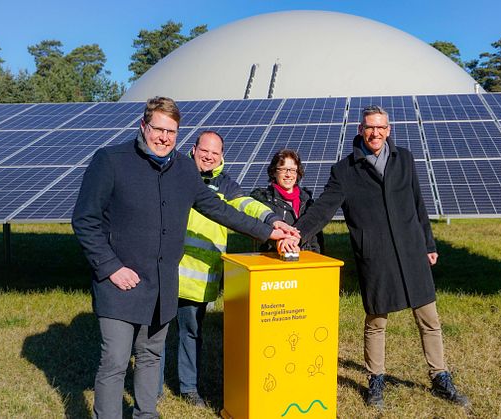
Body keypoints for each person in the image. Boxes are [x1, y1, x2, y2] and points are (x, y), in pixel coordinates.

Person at [72, 97, 296, 418]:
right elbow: (85, 219)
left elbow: (220, 209)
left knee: (150, 356)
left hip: (162, 286)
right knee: (116, 362)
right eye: (158, 129)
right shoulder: (110, 160)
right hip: (119, 286)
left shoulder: (183, 170)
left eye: (171, 132)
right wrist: (110, 268)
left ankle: (146, 415)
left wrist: (270, 232)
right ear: (143, 126)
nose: (164, 137)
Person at [279, 105, 469, 409]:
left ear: (389, 130)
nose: (375, 133)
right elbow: (323, 208)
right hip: (376, 255)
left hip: (411, 250)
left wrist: (428, 243)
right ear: (360, 130)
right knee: (376, 320)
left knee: (429, 318)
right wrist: (296, 233)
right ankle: (376, 379)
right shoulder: (344, 171)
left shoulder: (404, 159)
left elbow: (418, 203)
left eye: (381, 127)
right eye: (370, 127)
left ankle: (439, 375)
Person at [160, 130, 284, 407]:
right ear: (193, 149)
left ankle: (189, 389)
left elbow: (247, 205)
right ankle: (153, 389)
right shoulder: (175, 173)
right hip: (166, 270)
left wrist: (272, 220)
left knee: (191, 333)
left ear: (221, 157)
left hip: (199, 276)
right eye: (205, 150)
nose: (209, 156)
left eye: (215, 153)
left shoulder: (226, 184)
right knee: (155, 333)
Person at [251, 149, 323, 254]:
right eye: (283, 169)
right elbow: (262, 233)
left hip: (307, 259)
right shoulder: (264, 201)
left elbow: (316, 237)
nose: (288, 174)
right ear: (274, 172)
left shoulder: (307, 201)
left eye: (292, 170)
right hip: (275, 260)